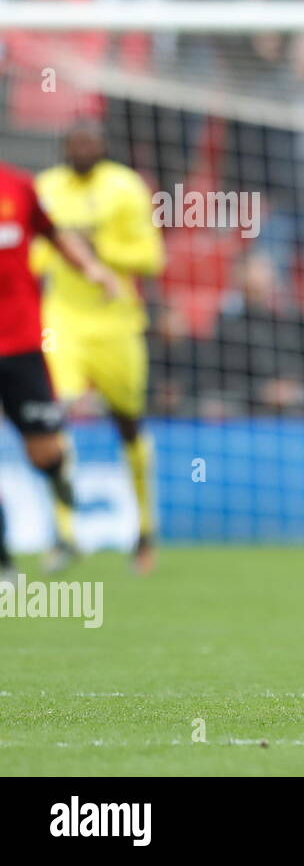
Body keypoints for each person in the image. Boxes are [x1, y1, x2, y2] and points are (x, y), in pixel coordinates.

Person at [33, 120, 165, 575]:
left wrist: (99, 248)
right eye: (74, 143)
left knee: (127, 422)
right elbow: (35, 253)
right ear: (64, 147)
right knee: (56, 413)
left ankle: (145, 532)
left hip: (116, 320)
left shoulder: (125, 188)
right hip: (62, 319)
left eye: (90, 142)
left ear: (103, 147)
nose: (82, 149)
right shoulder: (46, 188)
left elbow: (151, 257)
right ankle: (65, 534)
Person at [0, 161, 118, 586]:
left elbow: (56, 234)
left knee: (44, 450)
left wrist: (92, 268)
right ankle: (3, 560)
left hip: (20, 343)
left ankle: (57, 476)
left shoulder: (18, 186)